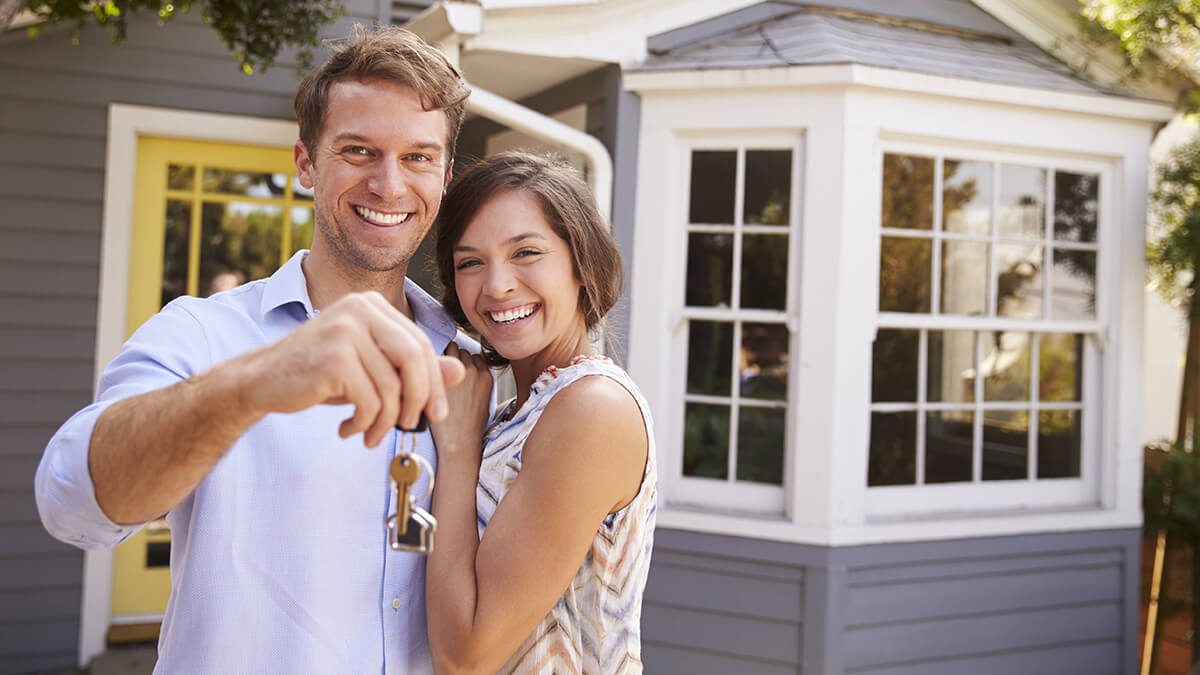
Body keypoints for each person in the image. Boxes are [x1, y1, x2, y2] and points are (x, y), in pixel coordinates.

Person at [35, 26, 474, 673]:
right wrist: (256, 382)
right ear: (304, 163)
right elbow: (69, 504)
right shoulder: (203, 334)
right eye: (359, 151)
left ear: (444, 176)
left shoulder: (476, 362)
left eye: (417, 157)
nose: (389, 184)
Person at [426, 151, 657, 674]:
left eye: (525, 252)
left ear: (582, 263)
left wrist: (458, 451)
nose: (497, 286)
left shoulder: (592, 410)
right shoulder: (516, 411)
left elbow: (465, 658)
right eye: (470, 262)